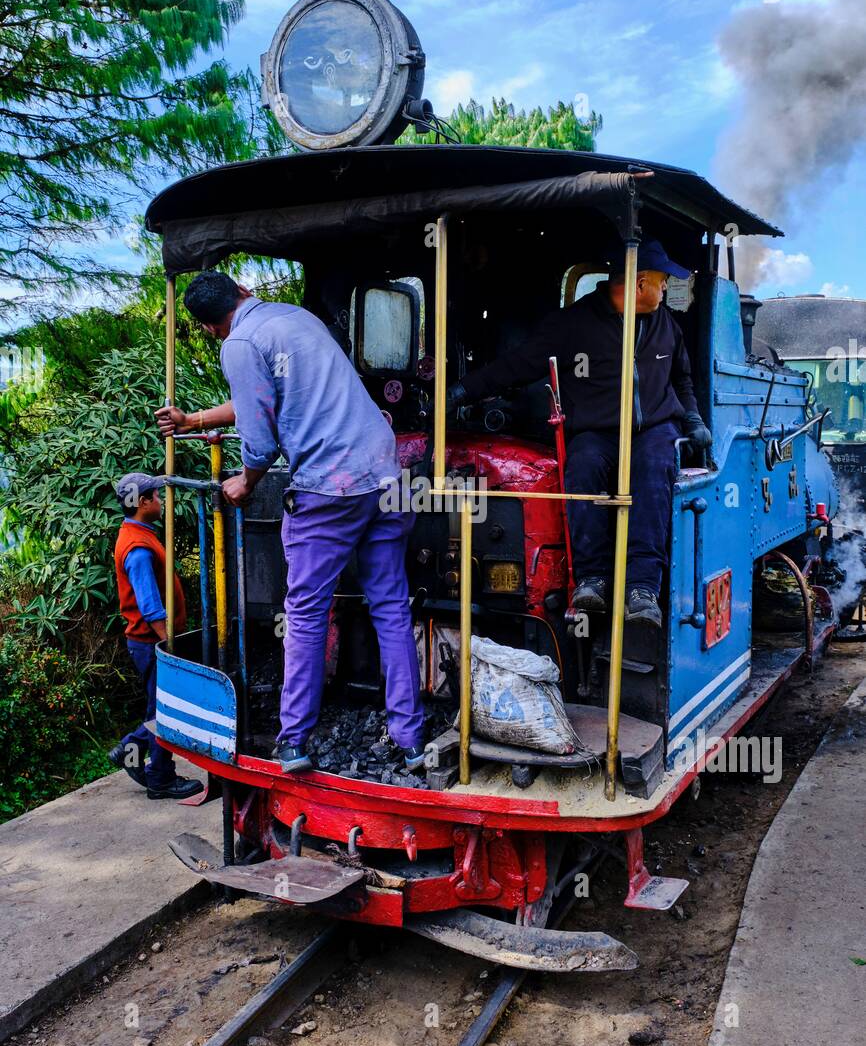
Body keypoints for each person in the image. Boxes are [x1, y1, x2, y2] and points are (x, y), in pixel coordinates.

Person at [156, 273, 426, 774]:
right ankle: (411, 741)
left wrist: (245, 481)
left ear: (211, 327)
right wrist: (194, 420)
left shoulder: (238, 344)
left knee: (304, 612)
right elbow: (267, 398)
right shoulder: (295, 319)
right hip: (385, 475)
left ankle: (295, 741)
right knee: (391, 606)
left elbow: (258, 438)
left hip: (329, 486)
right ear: (242, 291)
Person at [448, 240, 712, 628]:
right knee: (583, 464)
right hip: (596, 430)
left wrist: (693, 419)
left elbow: (682, 379)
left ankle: (642, 588)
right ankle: (592, 580)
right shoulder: (573, 324)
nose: (664, 289)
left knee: (655, 466)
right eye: (661, 281)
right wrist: (461, 391)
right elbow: (517, 365)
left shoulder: (665, 325)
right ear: (640, 283)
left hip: (654, 429)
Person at [111, 472, 203, 800]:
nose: (161, 501)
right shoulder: (137, 547)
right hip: (151, 642)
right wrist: (169, 646)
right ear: (143, 502)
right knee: (163, 711)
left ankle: (130, 748)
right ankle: (160, 778)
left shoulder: (138, 533)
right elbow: (149, 606)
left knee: (160, 707)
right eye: (156, 496)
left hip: (148, 642)